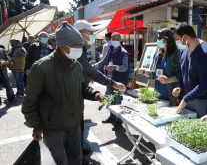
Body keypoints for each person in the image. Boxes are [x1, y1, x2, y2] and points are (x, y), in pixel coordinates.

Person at [21, 21, 104, 165]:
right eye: (75, 45)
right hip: (53, 128)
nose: (79, 48)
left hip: (74, 125)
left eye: (80, 45)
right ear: (62, 46)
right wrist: (36, 125)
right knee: (57, 161)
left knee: (76, 159)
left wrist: (95, 94)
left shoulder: (76, 65)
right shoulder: (42, 67)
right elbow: (29, 100)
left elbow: (82, 87)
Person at [74, 20, 126, 164]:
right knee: (74, 126)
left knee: (78, 124)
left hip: (78, 90)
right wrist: (94, 73)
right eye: (90, 33)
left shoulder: (79, 47)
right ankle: (78, 156)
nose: (92, 36)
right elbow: (91, 68)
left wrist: (90, 74)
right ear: (81, 33)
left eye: (116, 39)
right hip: (71, 95)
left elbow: (86, 72)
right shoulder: (76, 49)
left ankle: (78, 150)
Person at [172, 22, 207, 118]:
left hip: (202, 102)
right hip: (187, 99)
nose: (176, 43)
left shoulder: (206, 54)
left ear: (185, 37)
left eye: (177, 39)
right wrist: (179, 86)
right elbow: (182, 72)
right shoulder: (184, 51)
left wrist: (186, 99)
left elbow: (205, 85)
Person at [135, 28, 181, 106]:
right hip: (158, 97)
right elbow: (154, 74)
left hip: (172, 98)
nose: (158, 40)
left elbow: (183, 74)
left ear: (167, 40)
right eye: (157, 38)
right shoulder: (159, 56)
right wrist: (142, 71)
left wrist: (169, 80)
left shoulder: (178, 54)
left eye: (159, 38)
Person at [95, 32, 129, 131]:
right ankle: (112, 116)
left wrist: (115, 67)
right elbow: (104, 61)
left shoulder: (124, 52)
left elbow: (125, 67)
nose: (114, 41)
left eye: (117, 39)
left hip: (119, 81)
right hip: (109, 81)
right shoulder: (110, 50)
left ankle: (119, 120)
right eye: (113, 39)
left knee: (118, 100)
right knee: (110, 99)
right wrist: (93, 67)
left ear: (120, 40)